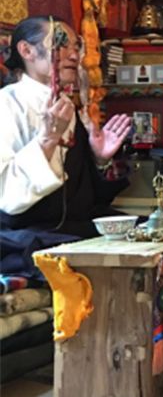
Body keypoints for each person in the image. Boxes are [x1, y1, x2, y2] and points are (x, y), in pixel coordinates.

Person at [1, 17, 132, 277]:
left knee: (149, 232)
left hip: (72, 225)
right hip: (23, 232)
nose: (73, 55)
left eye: (76, 46)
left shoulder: (66, 106)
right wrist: (47, 140)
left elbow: (86, 199)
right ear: (26, 50)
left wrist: (99, 159)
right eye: (60, 44)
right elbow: (7, 198)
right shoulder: (7, 104)